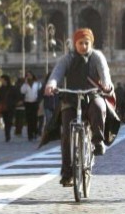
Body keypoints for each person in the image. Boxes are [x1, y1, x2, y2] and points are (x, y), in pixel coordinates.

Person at [44, 28, 115, 187]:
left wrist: (106, 85)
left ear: (91, 43)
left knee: (98, 107)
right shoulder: (67, 58)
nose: (83, 46)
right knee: (67, 134)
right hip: (71, 98)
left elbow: (104, 73)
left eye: (86, 43)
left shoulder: (97, 57)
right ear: (75, 44)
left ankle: (97, 141)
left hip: (92, 95)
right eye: (80, 43)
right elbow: (57, 73)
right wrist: (51, 84)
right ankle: (67, 174)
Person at [20, 71, 42, 141]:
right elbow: (22, 91)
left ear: (32, 76)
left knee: (34, 119)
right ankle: (30, 135)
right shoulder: (25, 85)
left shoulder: (37, 84)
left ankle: (35, 132)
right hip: (28, 103)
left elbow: (40, 92)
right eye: (27, 75)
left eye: (30, 75)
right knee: (29, 119)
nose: (29, 76)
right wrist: (25, 83)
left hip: (35, 103)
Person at [0, 74, 17, 142]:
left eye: (1, 79)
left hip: (11, 107)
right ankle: (7, 135)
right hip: (4, 107)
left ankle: (8, 133)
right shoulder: (1, 89)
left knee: (9, 121)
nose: (0, 81)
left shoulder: (12, 88)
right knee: (6, 121)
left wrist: (14, 103)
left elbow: (15, 97)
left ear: (5, 80)